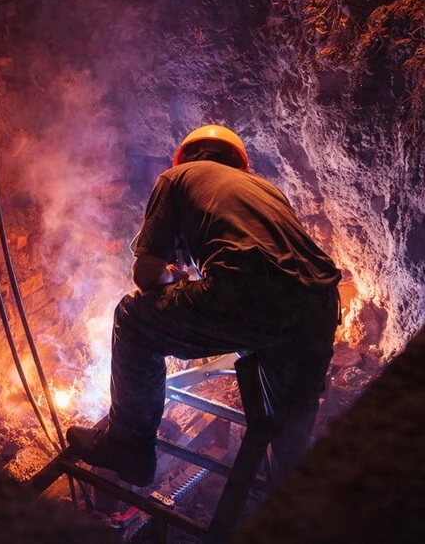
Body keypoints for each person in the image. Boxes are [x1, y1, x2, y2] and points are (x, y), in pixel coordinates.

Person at [66, 125, 341, 487]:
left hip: (248, 292)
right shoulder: (265, 189)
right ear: (239, 164)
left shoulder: (177, 178)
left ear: (185, 157)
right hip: (319, 305)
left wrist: (173, 280)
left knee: (132, 319)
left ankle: (128, 448)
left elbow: (145, 275)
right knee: (288, 426)